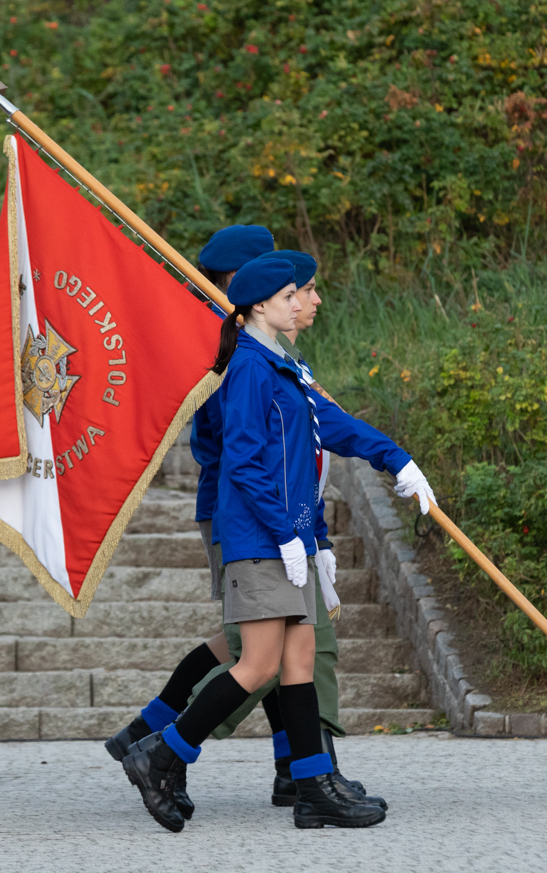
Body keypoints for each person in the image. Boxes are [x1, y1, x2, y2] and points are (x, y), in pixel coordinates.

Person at [122, 258, 388, 831]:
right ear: (258, 305)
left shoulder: (279, 364)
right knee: (259, 662)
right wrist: (290, 536)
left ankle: (313, 782)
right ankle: (161, 752)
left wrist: (393, 461)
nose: (303, 301)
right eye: (292, 293)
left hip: (287, 535)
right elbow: (242, 460)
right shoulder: (247, 366)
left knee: (298, 659)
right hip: (259, 537)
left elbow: (314, 444)